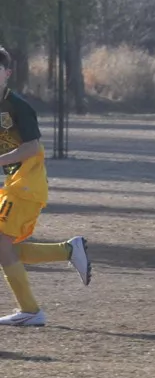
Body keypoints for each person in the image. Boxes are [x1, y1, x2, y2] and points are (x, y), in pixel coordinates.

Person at [0, 46, 90, 326]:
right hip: (14, 185)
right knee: (7, 248)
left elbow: (31, 148)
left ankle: (31, 311)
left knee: (2, 244)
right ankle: (69, 250)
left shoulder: (18, 106)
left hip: (27, 185)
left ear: (8, 73)